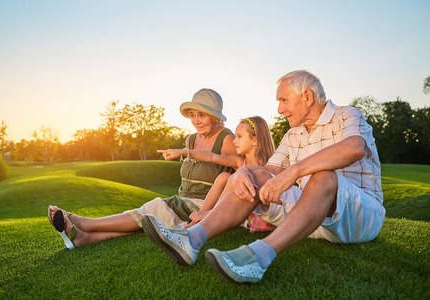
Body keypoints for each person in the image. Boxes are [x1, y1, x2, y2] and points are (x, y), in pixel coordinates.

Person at [142, 70, 386, 283]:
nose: (280, 109)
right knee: (253, 176)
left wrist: (294, 171)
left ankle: (258, 257)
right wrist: (243, 173)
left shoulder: (347, 115)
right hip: (311, 218)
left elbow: (354, 148)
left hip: (360, 216)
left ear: (308, 97)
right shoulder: (293, 135)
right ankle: (192, 239)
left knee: (323, 176)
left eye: (284, 100)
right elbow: (266, 171)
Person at [47, 88, 237, 249]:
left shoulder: (226, 139)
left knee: (153, 208)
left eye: (201, 115)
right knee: (148, 219)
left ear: (214, 117)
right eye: (193, 115)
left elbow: (238, 169)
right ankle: (84, 238)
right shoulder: (190, 139)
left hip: (204, 205)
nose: (196, 121)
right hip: (183, 200)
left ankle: (85, 223)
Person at [158, 116, 275, 231]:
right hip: (241, 213)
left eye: (239, 137)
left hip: (259, 217)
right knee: (224, 176)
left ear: (254, 140)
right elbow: (211, 156)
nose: (234, 141)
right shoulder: (240, 161)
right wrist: (182, 152)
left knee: (235, 176)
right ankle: (195, 222)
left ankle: (211, 214)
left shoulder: (268, 167)